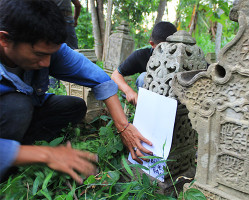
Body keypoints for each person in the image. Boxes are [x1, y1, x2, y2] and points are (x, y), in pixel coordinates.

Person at [0, 0, 152, 184]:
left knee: (74, 106)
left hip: (29, 107)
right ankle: (9, 168)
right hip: (13, 109)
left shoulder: (49, 50)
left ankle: (21, 146)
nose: (47, 64)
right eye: (40, 54)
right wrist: (47, 154)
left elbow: (101, 79)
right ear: (4, 39)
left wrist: (124, 127)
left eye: (51, 54)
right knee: (17, 107)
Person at [111, 21, 177, 105]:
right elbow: (115, 75)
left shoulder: (180, 57)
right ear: (152, 44)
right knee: (143, 78)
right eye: (162, 49)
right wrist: (129, 92)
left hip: (173, 101)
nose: (168, 52)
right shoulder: (141, 55)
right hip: (150, 101)